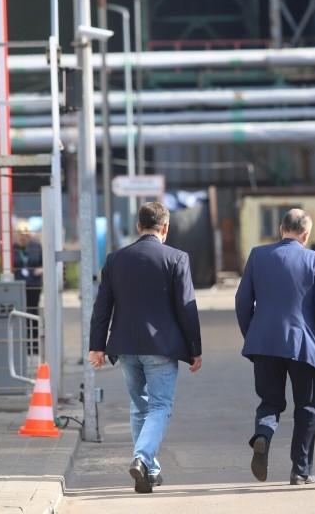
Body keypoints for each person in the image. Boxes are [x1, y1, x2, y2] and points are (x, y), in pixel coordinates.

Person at [88, 202, 203, 494]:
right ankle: (142, 459)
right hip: (162, 348)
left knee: (140, 406)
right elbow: (186, 308)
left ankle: (149, 471)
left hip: (125, 347)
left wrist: (96, 346)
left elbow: (102, 307)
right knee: (160, 406)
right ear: (165, 228)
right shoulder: (176, 258)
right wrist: (194, 348)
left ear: (139, 227)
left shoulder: (115, 259)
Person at [235, 208, 315, 485]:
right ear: (306, 235)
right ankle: (301, 470)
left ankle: (263, 436)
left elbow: (242, 302)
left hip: (265, 343)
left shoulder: (258, 255)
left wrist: (253, 336)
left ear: (281, 229)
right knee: (306, 407)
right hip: (304, 345)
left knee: (270, 401)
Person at [13, 220, 43, 354]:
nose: (22, 238)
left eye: (25, 236)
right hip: (18, 286)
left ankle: (34, 346)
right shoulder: (12, 248)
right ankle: (23, 345)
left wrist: (41, 270)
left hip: (34, 285)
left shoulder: (36, 247)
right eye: (20, 235)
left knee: (33, 314)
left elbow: (45, 263)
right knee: (21, 315)